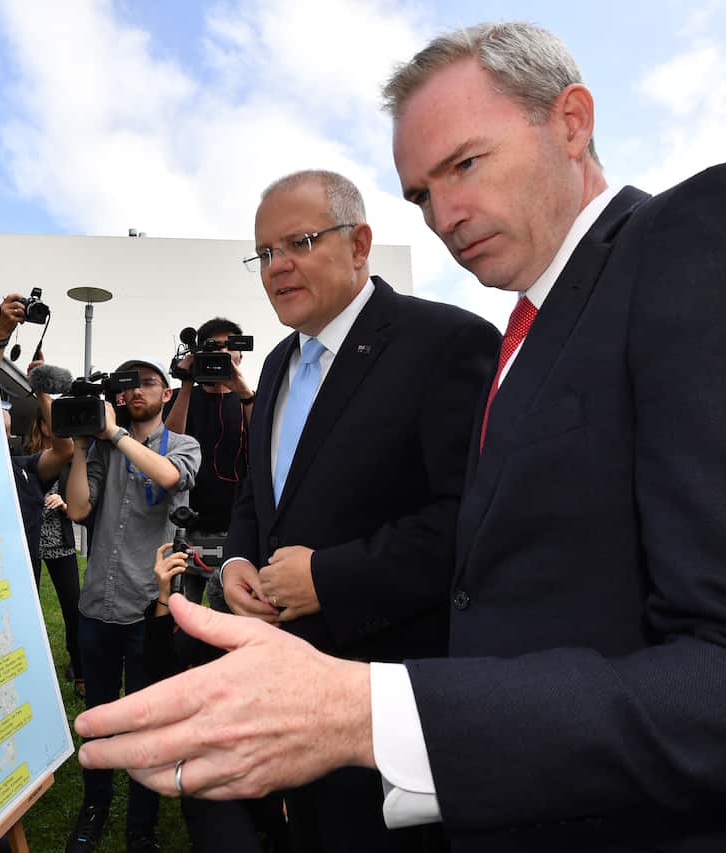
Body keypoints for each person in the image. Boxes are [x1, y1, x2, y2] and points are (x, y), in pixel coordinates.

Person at [70, 20, 726, 853]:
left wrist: (368, 714)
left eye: (465, 164)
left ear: (572, 121)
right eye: (420, 194)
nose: (444, 214)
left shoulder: (709, 234)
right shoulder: (530, 331)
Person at [218, 169, 499, 852]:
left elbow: (474, 519)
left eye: (300, 241)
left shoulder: (447, 343)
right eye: (264, 252)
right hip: (286, 683)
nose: (277, 266)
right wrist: (235, 557)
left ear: (360, 243)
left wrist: (331, 577)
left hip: (392, 703)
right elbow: (262, 495)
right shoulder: (281, 362)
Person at [64, 357, 201, 853]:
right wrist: (81, 450)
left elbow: (167, 478)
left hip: (150, 609)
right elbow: (79, 509)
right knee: (99, 713)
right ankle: (94, 806)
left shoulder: (183, 445)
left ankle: (140, 826)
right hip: (97, 603)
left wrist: (116, 435)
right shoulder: (102, 449)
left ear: (166, 394)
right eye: (130, 385)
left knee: (147, 717)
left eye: (148, 383)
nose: (137, 390)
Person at [144, 544, 290, 853]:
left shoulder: (293, 643)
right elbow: (158, 677)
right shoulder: (206, 638)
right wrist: (163, 598)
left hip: (281, 771)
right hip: (215, 772)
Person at [164, 317, 256, 607]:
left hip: (236, 526)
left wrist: (243, 392)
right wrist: (188, 383)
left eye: (229, 347)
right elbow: (168, 443)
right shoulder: (182, 397)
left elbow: (265, 443)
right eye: (213, 347)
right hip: (186, 524)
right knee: (181, 610)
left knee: (232, 613)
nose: (221, 353)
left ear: (240, 354)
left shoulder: (252, 399)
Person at [0, 296, 74, 573]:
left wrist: (41, 389)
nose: (2, 407)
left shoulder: (23, 467)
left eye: (4, 404)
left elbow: (64, 450)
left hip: (25, 579)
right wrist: (1, 334)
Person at [24, 407, 84, 698]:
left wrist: (64, 503)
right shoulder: (25, 457)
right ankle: (31, 668)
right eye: (49, 420)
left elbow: (80, 502)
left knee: (73, 607)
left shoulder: (69, 458)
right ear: (42, 425)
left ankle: (79, 664)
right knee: (28, 610)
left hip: (60, 542)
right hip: (30, 545)